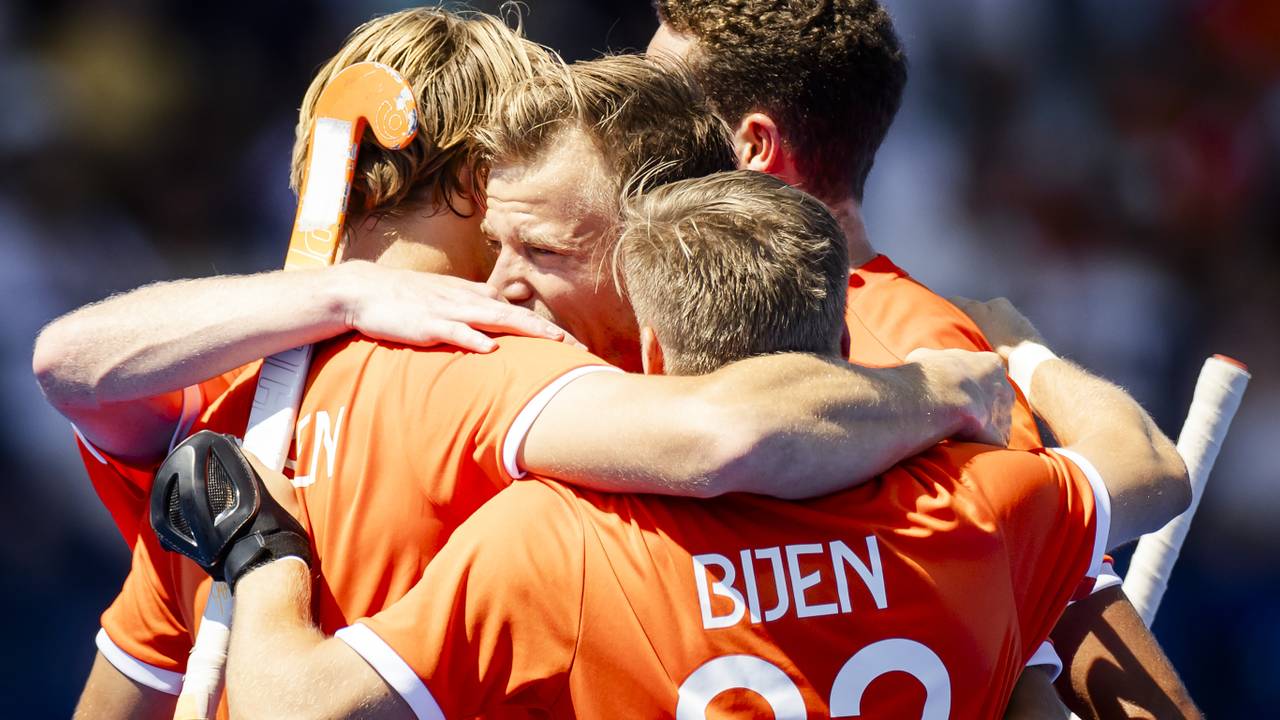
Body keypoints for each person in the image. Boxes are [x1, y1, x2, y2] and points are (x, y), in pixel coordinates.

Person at [36, 14, 1009, 720]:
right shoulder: (498, 375)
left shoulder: (223, 423)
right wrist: (946, 386)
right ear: (478, 179)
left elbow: (68, 363)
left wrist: (330, 300)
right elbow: (725, 437)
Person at [188, 170, 1190, 718]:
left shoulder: (553, 540)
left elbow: (293, 709)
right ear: (840, 339)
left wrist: (261, 550)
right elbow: (1147, 466)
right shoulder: (982, 506)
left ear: (652, 347)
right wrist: (1020, 353)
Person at [647, 2, 1200, 715]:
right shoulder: (621, 305)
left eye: (654, 102)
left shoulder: (926, 352)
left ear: (754, 145)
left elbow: (1128, 695)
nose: (626, 126)